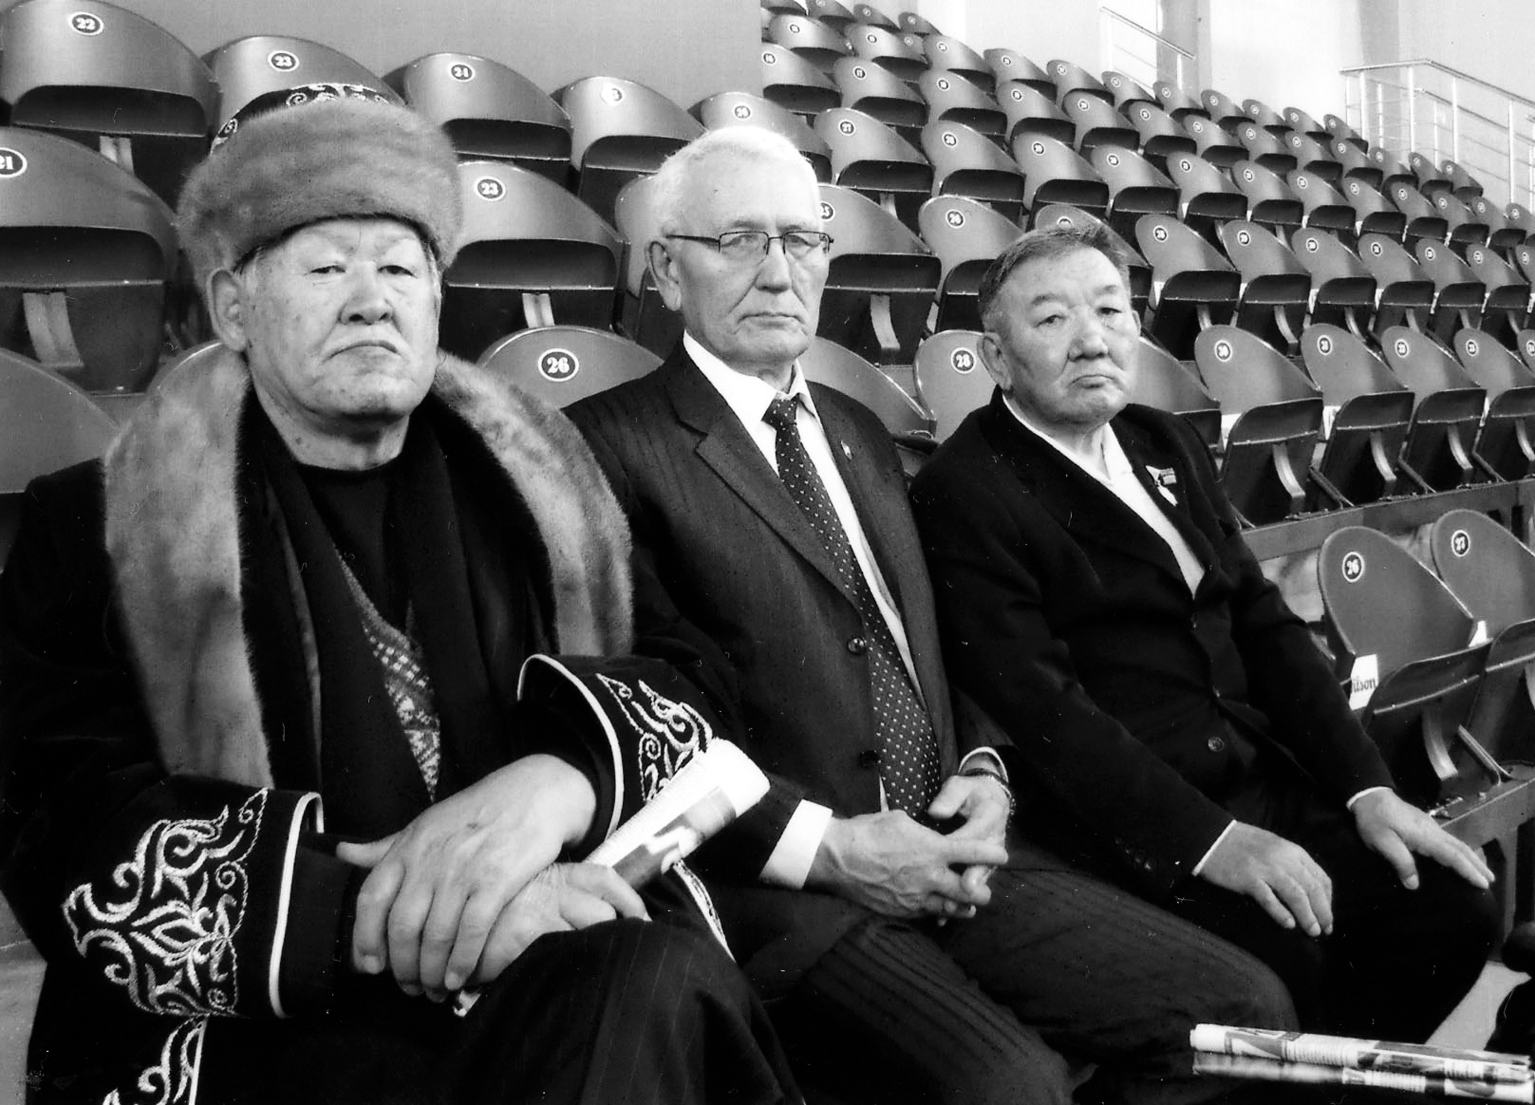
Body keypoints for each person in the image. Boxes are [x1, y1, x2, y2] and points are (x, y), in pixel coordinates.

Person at [0, 90, 800, 1105]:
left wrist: (562, 779)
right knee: (647, 996)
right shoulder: (98, 521)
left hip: (545, 957)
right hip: (273, 1012)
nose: (370, 301)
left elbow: (695, 678)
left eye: (399, 268)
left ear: (435, 299)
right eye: (326, 268)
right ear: (234, 306)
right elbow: (68, 827)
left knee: (648, 977)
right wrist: (392, 918)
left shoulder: (543, 486)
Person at [568, 127, 1298, 1105]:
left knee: (1242, 1014)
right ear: (664, 269)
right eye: (738, 240)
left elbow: (936, 644)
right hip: (795, 889)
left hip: (955, 845)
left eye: (801, 239)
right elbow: (640, 724)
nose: (778, 271)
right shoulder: (603, 450)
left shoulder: (862, 432)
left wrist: (986, 766)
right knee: (1013, 1089)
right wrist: (829, 846)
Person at [909, 222, 1499, 1042]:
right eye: (1050, 319)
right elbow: (1047, 713)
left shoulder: (1161, 437)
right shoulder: (967, 487)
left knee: (1454, 903)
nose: (1090, 340)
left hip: (1254, 771)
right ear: (996, 356)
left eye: (1108, 310)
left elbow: (1262, 620)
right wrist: (1211, 843)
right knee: (1287, 953)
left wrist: (1368, 789)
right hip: (1131, 824)